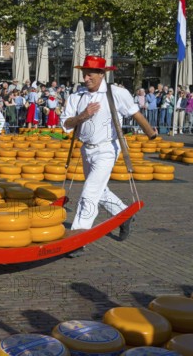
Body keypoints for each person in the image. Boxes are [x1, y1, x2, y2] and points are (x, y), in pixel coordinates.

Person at [61, 56, 156, 257]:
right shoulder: (76, 97)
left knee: (89, 192)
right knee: (100, 191)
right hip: (86, 149)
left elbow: (135, 114)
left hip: (107, 149)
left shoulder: (116, 93)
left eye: (90, 74)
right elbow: (66, 124)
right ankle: (124, 215)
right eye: (84, 74)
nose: (86, 78)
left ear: (102, 74)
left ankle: (78, 238)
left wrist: (150, 133)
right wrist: (82, 116)